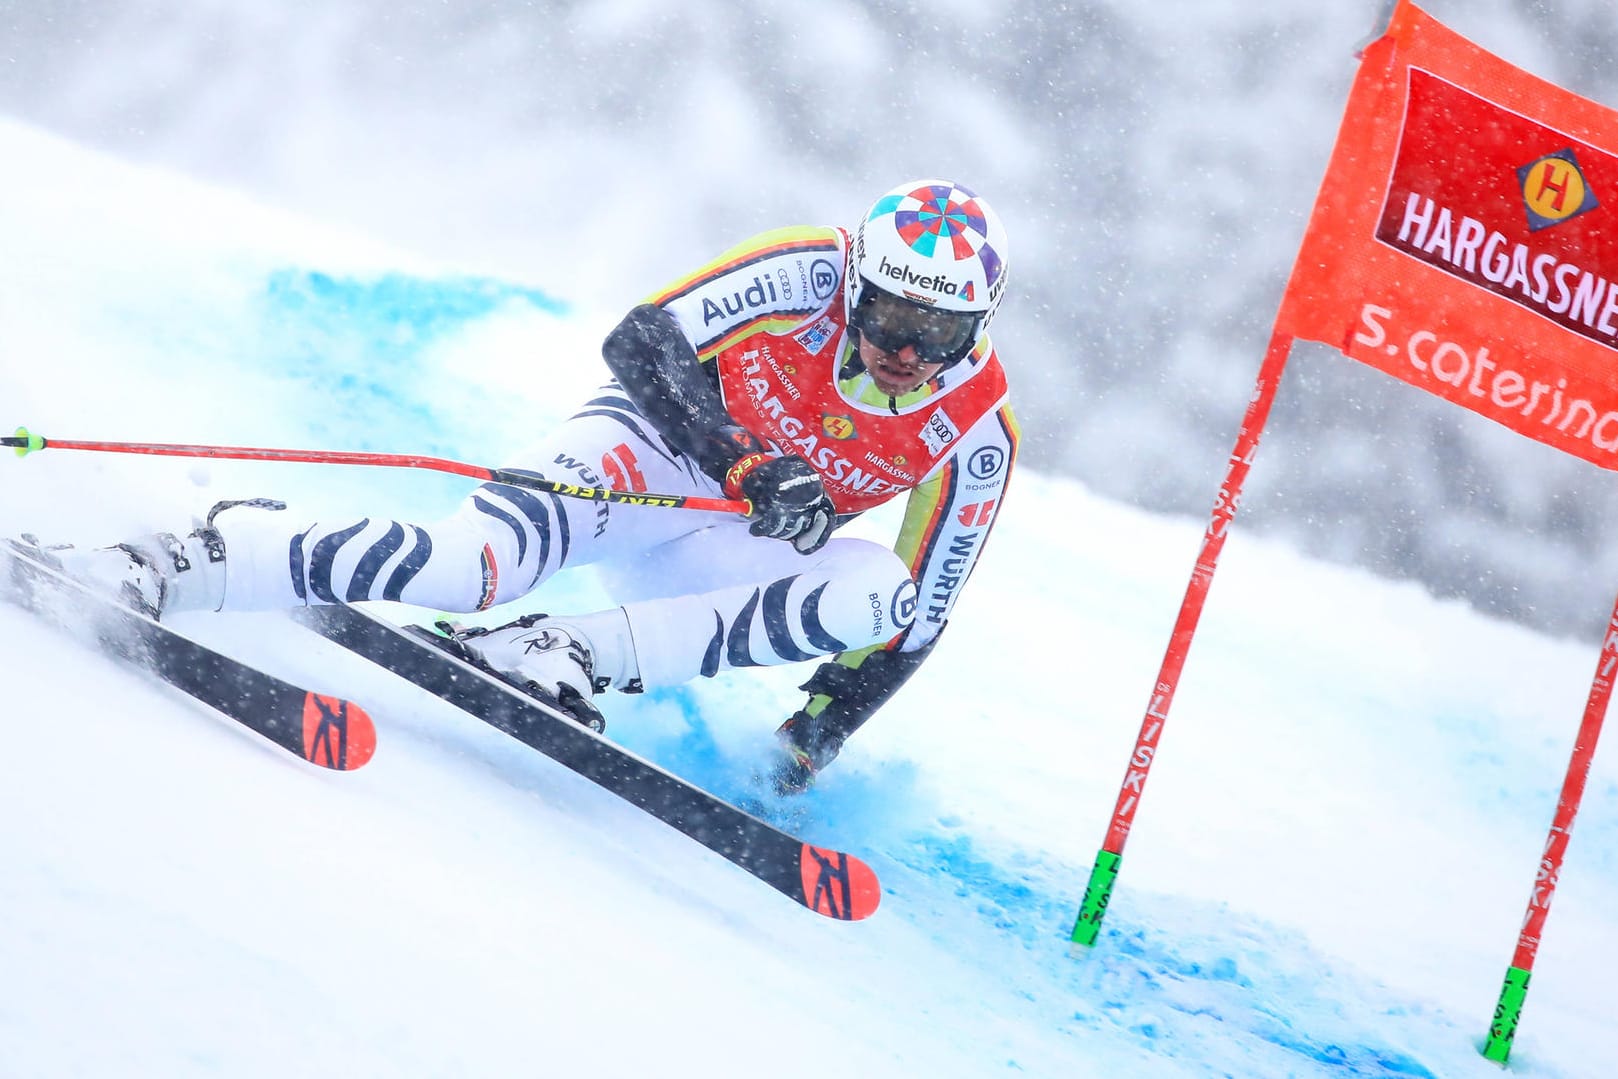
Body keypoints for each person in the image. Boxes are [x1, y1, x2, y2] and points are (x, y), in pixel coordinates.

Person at [33, 178, 1020, 794]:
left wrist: (811, 737)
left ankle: (563, 651)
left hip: (729, 549)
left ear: (974, 327)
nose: (902, 349)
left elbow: (919, 618)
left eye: (936, 333)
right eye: (887, 314)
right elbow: (642, 338)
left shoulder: (974, 431)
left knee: (881, 592)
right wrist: (746, 460)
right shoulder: (805, 271)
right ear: (857, 286)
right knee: (468, 570)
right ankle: (175, 557)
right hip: (649, 459)